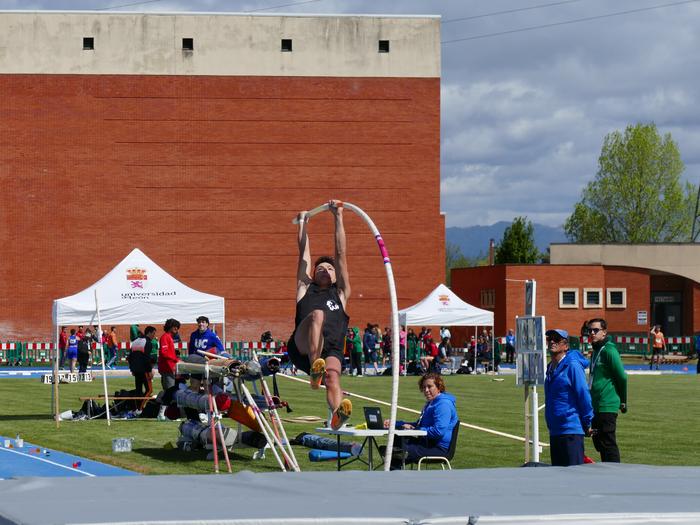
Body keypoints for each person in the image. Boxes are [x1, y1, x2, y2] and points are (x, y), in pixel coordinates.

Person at [286, 200, 352, 430]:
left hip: (330, 349)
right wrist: (303, 223)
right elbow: (303, 253)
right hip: (302, 347)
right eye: (320, 268)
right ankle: (315, 369)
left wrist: (338, 216)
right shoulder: (305, 288)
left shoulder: (341, 293)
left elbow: (341, 253)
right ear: (313, 274)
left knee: (333, 376)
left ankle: (336, 417)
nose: (325, 270)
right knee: (317, 315)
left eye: (330, 269)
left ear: (336, 276)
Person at [382, 373, 458, 469]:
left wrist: (417, 429)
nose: (426, 390)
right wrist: (394, 423)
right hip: (426, 443)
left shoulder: (443, 405)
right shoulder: (431, 403)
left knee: (397, 451)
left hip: (439, 448)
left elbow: (438, 431)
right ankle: (395, 472)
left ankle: (394, 474)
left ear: (439, 387)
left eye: (429, 387)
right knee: (397, 440)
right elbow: (418, 425)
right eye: (424, 387)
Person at [543, 329, 593, 466]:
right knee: (559, 479)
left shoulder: (572, 366)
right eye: (550, 339)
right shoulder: (550, 368)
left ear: (566, 346)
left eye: (557, 339)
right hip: (555, 430)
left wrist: (587, 421)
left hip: (571, 430)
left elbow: (583, 394)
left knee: (574, 479)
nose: (552, 341)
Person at [588, 318, 627, 462]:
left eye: (595, 330)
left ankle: (614, 476)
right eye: (590, 330)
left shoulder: (609, 350)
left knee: (608, 444)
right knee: (599, 443)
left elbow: (622, 377)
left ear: (604, 332)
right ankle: (606, 475)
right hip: (596, 404)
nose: (592, 333)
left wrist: (623, 401)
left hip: (607, 404)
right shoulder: (596, 350)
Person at [158, 318, 181, 420]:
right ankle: (163, 414)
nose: (177, 329)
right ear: (170, 327)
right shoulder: (165, 337)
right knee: (169, 391)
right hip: (167, 367)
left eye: (177, 327)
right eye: (175, 327)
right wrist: (176, 359)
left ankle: (165, 414)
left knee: (170, 391)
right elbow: (164, 352)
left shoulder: (168, 337)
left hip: (169, 367)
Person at [127, 331, 153, 412]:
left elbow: (130, 357)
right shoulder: (147, 342)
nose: (154, 336)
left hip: (136, 369)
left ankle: (137, 408)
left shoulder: (134, 342)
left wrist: (132, 369)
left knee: (138, 390)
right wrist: (149, 370)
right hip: (144, 369)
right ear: (149, 333)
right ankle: (140, 409)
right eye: (153, 333)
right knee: (149, 390)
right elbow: (147, 357)